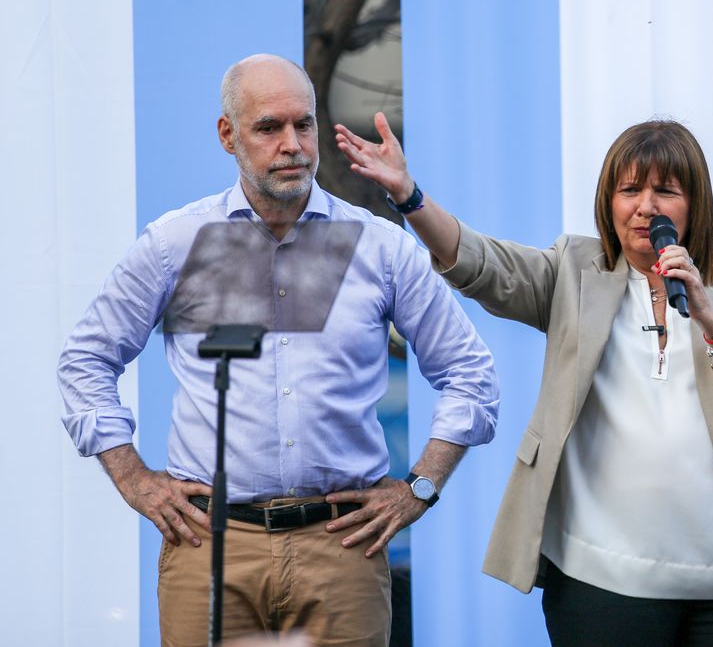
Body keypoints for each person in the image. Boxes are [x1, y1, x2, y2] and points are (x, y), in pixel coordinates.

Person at [57, 54, 499, 646]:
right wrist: (133, 478)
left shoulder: (379, 248)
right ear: (228, 135)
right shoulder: (175, 244)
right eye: (269, 127)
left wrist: (420, 487)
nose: (292, 144)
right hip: (210, 549)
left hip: (341, 550)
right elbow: (85, 361)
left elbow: (471, 372)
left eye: (305, 125)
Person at [336, 115, 713, 645]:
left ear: (694, 204)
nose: (645, 207)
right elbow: (481, 262)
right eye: (629, 190)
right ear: (608, 200)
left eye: (665, 192)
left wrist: (711, 319)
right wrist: (409, 197)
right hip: (600, 583)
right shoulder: (574, 271)